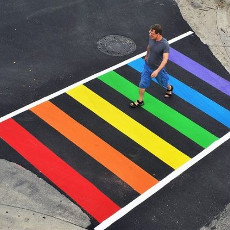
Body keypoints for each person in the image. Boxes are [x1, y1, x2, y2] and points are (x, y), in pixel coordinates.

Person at [130, 24, 173, 108]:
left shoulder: (165, 44)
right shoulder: (151, 38)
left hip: (158, 69)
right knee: (142, 83)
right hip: (148, 66)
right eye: (150, 33)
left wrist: (157, 71)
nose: (150, 35)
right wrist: (147, 55)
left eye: (152, 34)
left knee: (163, 83)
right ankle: (140, 101)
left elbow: (165, 60)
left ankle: (169, 88)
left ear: (158, 34)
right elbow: (149, 46)